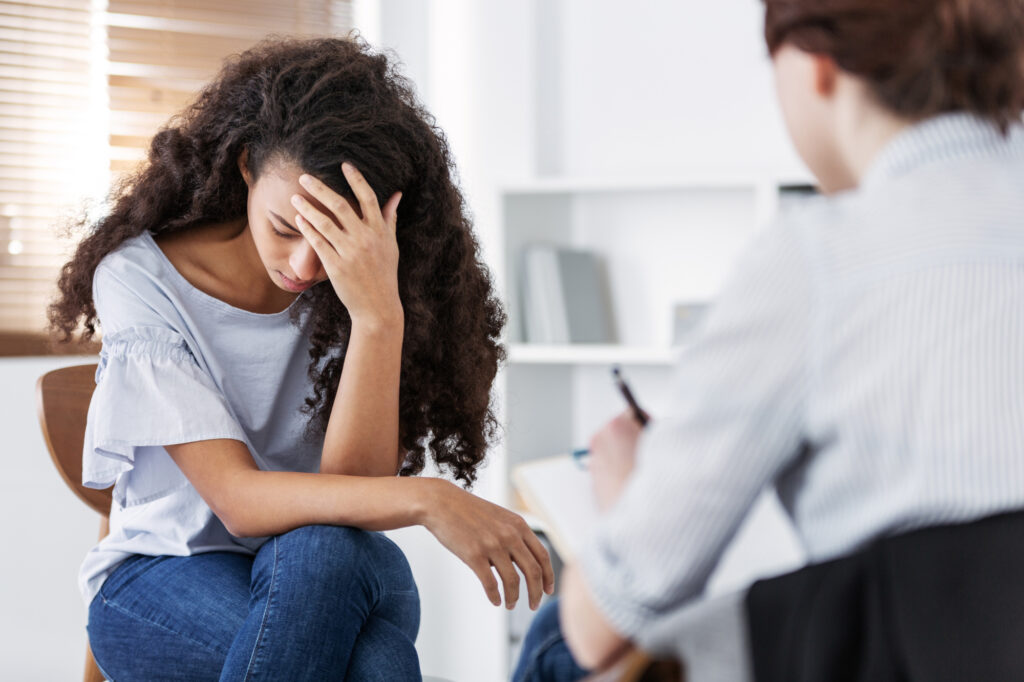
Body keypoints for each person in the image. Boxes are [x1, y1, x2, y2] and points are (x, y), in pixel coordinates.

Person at [512, 0, 1024, 679]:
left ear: (816, 66)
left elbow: (603, 623)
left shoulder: (819, 259)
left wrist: (626, 491)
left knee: (560, 641)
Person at [47, 35, 554, 681]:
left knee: (321, 549)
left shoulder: (368, 281)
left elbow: (351, 488)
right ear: (246, 167)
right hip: (165, 576)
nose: (304, 266)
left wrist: (376, 314)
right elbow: (237, 500)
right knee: (375, 665)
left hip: (340, 565)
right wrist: (428, 499)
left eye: (330, 243)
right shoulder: (140, 277)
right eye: (286, 229)